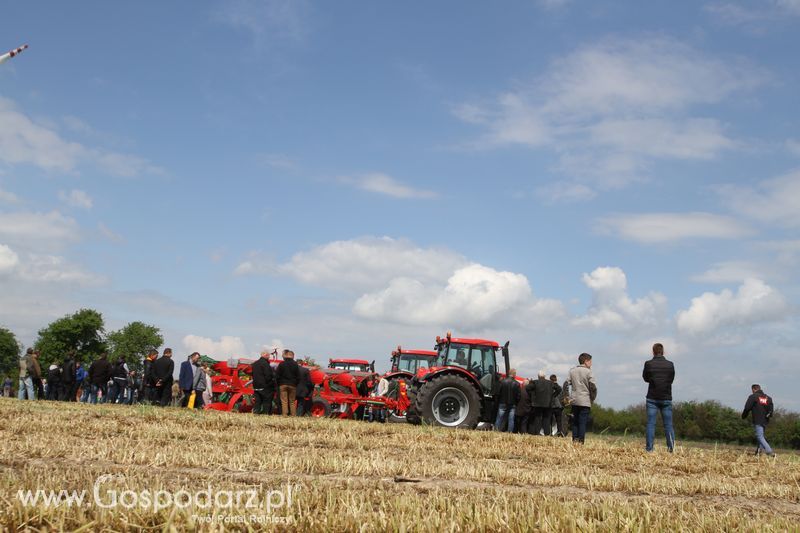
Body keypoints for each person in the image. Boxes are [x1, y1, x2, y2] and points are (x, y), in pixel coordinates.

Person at [643, 342, 675, 452]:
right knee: (668, 425)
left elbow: (645, 378)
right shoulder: (670, 364)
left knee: (651, 424)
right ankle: (671, 449)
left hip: (652, 397)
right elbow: (671, 380)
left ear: (653, 351)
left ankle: (649, 449)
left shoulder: (648, 364)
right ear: (663, 351)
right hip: (666, 397)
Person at [569, 353, 597, 444]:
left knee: (575, 422)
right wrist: (592, 399)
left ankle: (574, 441)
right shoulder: (589, 372)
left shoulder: (572, 371)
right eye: (590, 361)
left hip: (574, 400)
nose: (591, 364)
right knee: (582, 422)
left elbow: (566, 384)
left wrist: (566, 397)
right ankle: (581, 442)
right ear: (586, 361)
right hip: (585, 401)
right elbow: (593, 387)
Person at [742, 384, 775, 458]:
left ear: (753, 389)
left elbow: (747, 408)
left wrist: (744, 415)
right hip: (765, 420)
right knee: (761, 436)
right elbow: (771, 411)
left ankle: (769, 451)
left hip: (758, 419)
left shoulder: (753, 396)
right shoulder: (768, 398)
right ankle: (758, 453)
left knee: (759, 436)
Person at [528, 371, 553, 436]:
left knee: (537, 418)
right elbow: (559, 389)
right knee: (546, 419)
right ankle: (547, 433)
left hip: (537, 403)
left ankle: (537, 433)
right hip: (547, 404)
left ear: (538, 376)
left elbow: (527, 388)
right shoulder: (550, 383)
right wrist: (552, 396)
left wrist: (532, 395)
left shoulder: (535, 382)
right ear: (544, 376)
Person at [251, 350, 276, 414]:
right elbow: (268, 375)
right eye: (269, 356)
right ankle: (265, 414)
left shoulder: (255, 364)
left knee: (257, 401)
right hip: (265, 386)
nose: (269, 357)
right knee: (267, 401)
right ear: (266, 355)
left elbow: (253, 374)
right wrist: (271, 383)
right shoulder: (265, 364)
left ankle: (256, 413)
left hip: (256, 386)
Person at [276, 349, 300, 416]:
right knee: (292, 401)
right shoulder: (295, 364)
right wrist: (295, 384)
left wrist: (279, 383)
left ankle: (285, 414)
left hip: (283, 384)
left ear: (286, 356)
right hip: (292, 385)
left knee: (284, 401)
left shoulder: (281, 364)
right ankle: (293, 415)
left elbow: (277, 375)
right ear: (292, 356)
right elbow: (298, 376)